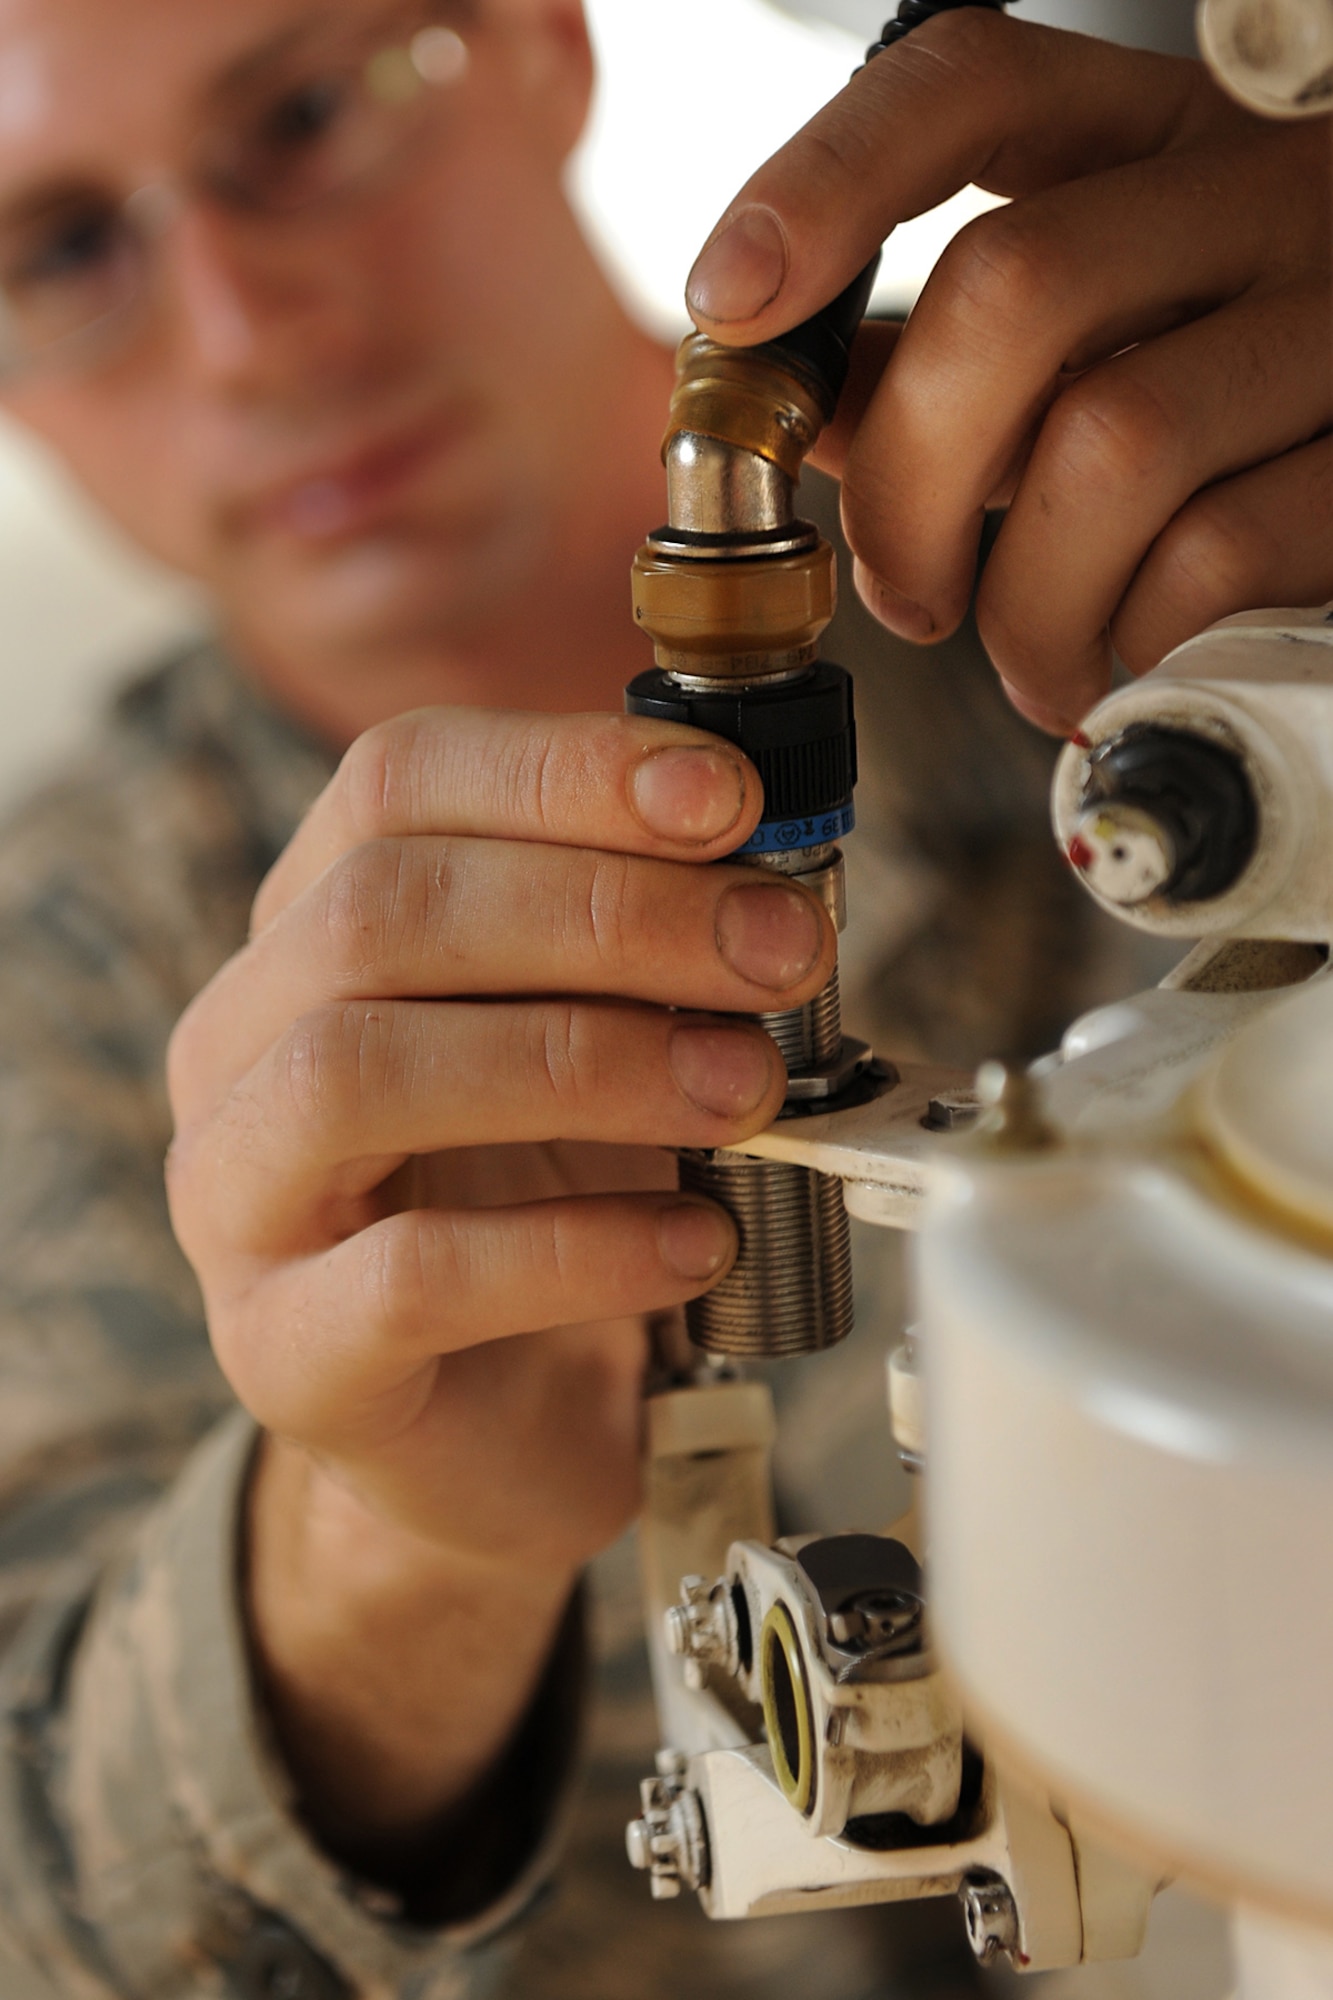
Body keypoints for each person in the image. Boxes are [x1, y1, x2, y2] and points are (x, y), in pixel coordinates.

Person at [0, 1, 1322, 1995]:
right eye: (56, 249)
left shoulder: (1203, 568)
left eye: (295, 112)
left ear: (537, 41)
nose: (249, 330)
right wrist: (392, 1542)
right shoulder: (60, 964)